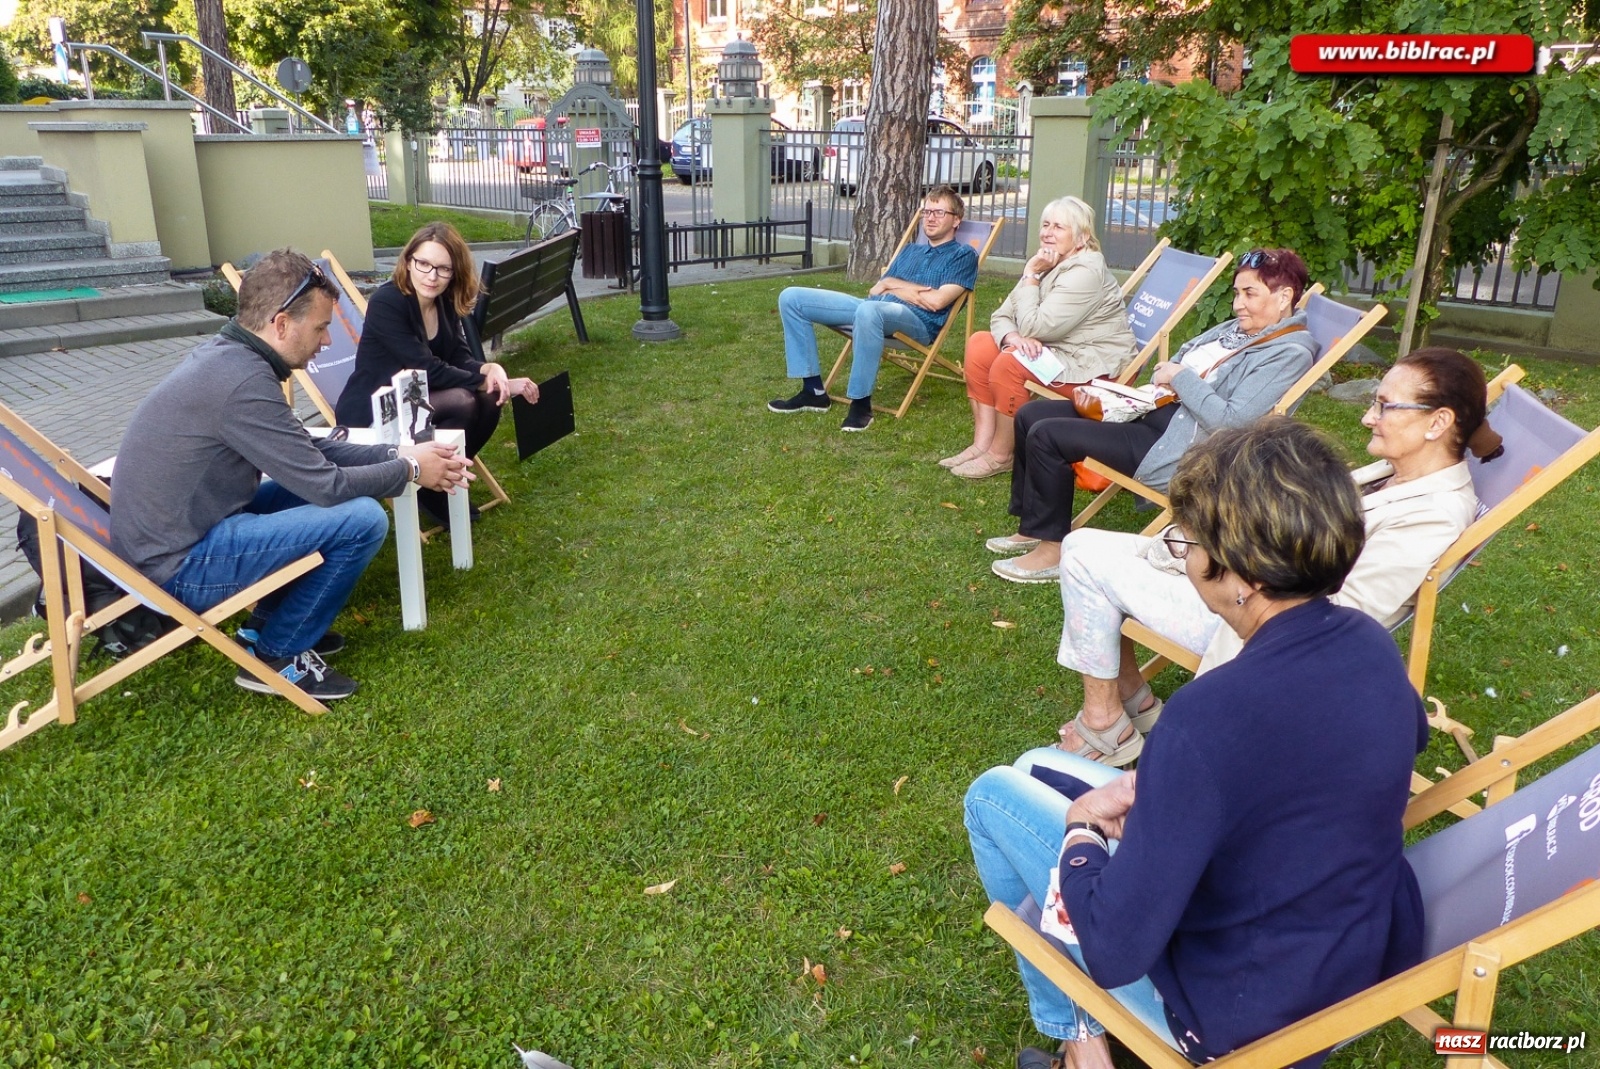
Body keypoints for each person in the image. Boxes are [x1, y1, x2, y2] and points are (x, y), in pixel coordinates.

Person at [965, 418, 1427, 1069]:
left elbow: (1115, 946)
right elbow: (1399, 736)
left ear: (1237, 572)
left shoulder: (1208, 716)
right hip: (1348, 957)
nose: (1183, 559)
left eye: (1185, 541)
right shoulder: (1369, 643)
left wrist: (1080, 833)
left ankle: (1081, 1040)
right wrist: (1178, 803)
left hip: (1242, 1015)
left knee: (992, 797)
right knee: (1033, 766)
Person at [1052, 347, 1501, 765]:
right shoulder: (1392, 473)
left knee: (1081, 557)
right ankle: (1135, 701)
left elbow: (1348, 613)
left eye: (1385, 406)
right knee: (1090, 543)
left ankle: (1104, 723)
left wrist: (1235, 566)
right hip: (1251, 584)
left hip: (1259, 628)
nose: (1369, 417)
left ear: (1438, 422)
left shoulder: (1435, 515)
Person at [110, 250, 473, 701]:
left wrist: (398, 451)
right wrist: (414, 468)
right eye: (321, 328)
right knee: (362, 519)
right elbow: (326, 484)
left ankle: (263, 629)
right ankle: (278, 655)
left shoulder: (232, 358)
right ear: (280, 324)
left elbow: (306, 447)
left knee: (321, 499)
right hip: (177, 566)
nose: (326, 342)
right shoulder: (242, 383)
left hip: (185, 532)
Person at [988, 247, 1317, 584]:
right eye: (1237, 293)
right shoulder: (1239, 328)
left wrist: (1179, 377)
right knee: (1031, 414)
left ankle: (1051, 552)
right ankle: (1033, 527)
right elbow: (1185, 354)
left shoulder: (1288, 353)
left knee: (1048, 436)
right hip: (1152, 413)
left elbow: (1231, 424)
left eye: (1250, 294)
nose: (1238, 304)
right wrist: (1168, 377)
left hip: (1179, 449)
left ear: (1284, 297)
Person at [335, 222, 538, 523]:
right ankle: (430, 485)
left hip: (415, 401)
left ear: (454, 272)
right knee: (463, 400)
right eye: (424, 264)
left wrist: (492, 371)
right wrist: (483, 381)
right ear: (407, 261)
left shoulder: (442, 302)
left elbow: (458, 357)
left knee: (490, 397)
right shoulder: (387, 303)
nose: (432, 276)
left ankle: (440, 481)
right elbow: (427, 369)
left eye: (443, 269)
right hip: (375, 410)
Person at [942, 196, 1136, 480]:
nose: (1047, 232)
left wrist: (1030, 276)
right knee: (981, 344)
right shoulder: (1050, 262)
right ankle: (981, 444)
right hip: (1060, 350)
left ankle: (1001, 455)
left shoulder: (1084, 272)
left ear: (1081, 238)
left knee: (1010, 363)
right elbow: (1001, 315)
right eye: (1046, 224)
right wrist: (1012, 337)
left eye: (1058, 227)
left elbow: (1037, 327)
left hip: (1095, 369)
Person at [768, 185, 980, 432]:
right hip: (871, 310)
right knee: (791, 297)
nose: (930, 218)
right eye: (927, 211)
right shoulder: (910, 250)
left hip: (917, 323)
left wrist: (892, 286)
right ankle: (813, 391)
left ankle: (860, 403)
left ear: (957, 220)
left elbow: (936, 302)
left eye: (939, 212)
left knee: (869, 312)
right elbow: (877, 289)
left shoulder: (963, 255)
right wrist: (901, 287)